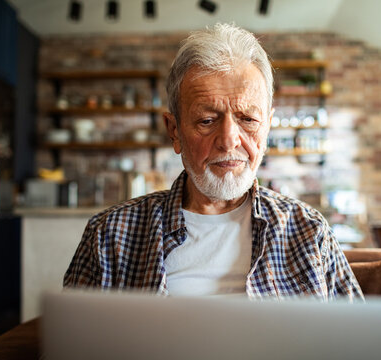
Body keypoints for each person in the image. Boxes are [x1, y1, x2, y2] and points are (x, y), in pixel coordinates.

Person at [64, 23, 364, 301]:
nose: (229, 140)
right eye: (207, 120)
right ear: (174, 131)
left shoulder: (308, 231)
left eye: (248, 119)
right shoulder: (110, 236)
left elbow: (360, 342)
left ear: (268, 127)